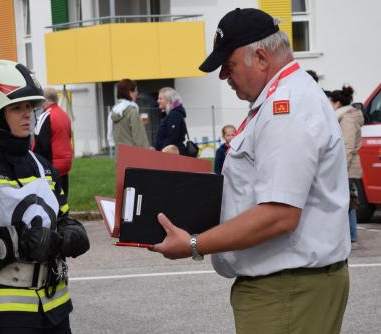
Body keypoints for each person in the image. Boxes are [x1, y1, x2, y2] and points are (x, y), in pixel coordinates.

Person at [150, 8, 350, 334]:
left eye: (227, 67)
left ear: (260, 57)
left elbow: (279, 214)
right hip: (285, 288)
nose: (223, 78)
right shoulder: (279, 100)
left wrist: (194, 244)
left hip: (287, 292)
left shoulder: (286, 107)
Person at [0, 60, 90, 334]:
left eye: (29, 108)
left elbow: (62, 217)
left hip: (54, 310)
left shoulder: (43, 166)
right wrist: (19, 241)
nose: (27, 115)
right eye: (16, 108)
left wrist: (72, 232)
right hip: (4, 317)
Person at [327, 85, 364, 244]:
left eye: (330, 102)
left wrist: (341, 167)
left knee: (347, 202)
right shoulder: (345, 116)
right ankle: (350, 235)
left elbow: (348, 146)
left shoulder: (347, 118)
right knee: (348, 201)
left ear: (337, 104)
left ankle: (350, 235)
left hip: (347, 168)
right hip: (347, 167)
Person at [33, 87, 74, 197]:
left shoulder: (46, 116)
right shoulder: (64, 115)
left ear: (44, 100)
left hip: (52, 166)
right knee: (63, 198)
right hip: (65, 164)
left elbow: (41, 144)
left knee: (51, 198)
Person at [107, 78, 149, 149]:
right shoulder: (132, 111)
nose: (137, 93)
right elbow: (138, 137)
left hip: (120, 153)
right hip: (133, 155)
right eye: (135, 90)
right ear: (129, 92)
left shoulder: (115, 110)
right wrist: (146, 150)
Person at [154, 87, 188, 155]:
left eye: (161, 98)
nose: (158, 101)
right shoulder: (172, 114)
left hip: (172, 156)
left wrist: (161, 150)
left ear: (169, 100)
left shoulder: (174, 115)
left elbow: (172, 138)